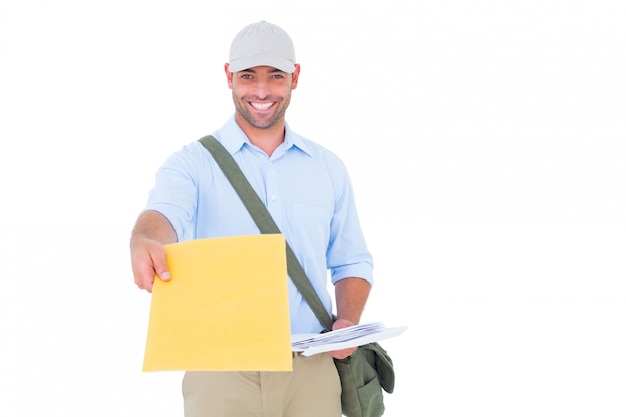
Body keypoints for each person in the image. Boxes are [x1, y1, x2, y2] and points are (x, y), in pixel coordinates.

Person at [130, 20, 373, 417]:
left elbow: (352, 261)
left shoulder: (328, 168)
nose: (261, 91)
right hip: (219, 371)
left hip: (311, 367)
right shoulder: (192, 163)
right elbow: (162, 214)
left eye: (275, 76)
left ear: (295, 78)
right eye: (248, 76)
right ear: (228, 76)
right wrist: (145, 240)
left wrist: (348, 320)